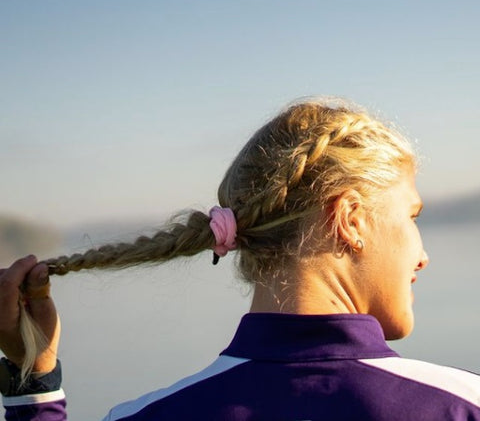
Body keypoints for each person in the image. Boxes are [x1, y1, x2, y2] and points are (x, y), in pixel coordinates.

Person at [1, 98, 479, 420]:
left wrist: (34, 385)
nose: (423, 255)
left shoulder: (139, 417)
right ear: (351, 219)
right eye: (411, 215)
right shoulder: (462, 407)